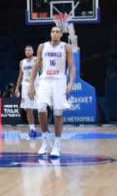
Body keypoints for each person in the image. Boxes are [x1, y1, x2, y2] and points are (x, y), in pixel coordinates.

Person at [28, 26, 76, 158]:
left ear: (61, 34)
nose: (55, 34)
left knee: (58, 111)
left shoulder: (66, 47)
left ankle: (57, 143)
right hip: (44, 80)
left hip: (60, 80)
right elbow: (37, 65)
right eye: (53, 31)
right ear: (50, 34)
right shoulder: (42, 46)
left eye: (57, 32)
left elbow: (71, 66)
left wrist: (71, 83)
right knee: (41, 107)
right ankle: (45, 140)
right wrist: (31, 84)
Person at [14, 45, 39, 137]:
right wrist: (17, 88)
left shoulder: (37, 59)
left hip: (36, 85)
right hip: (25, 86)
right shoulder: (22, 62)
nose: (28, 51)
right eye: (26, 50)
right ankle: (32, 129)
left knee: (41, 107)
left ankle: (45, 128)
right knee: (28, 109)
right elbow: (20, 76)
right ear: (25, 52)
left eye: (30, 50)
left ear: (33, 51)